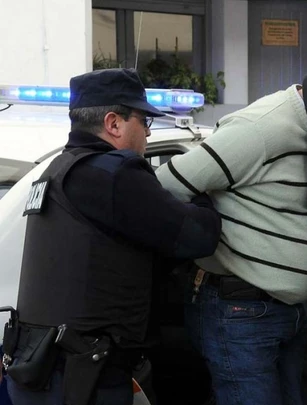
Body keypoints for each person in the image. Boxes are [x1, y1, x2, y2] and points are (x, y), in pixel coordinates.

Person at [4, 68, 222, 405]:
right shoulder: (114, 173)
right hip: (85, 379)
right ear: (114, 123)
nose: (147, 132)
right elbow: (199, 236)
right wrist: (204, 189)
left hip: (40, 370)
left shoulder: (56, 169)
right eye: (143, 121)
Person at [154, 69, 307, 404]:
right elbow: (166, 186)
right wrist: (207, 226)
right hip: (240, 311)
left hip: (283, 311)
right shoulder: (260, 130)